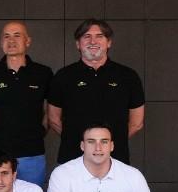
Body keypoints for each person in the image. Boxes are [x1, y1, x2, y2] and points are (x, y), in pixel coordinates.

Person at [48, 19, 145, 165]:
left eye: (99, 36)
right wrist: (81, 142)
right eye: (86, 36)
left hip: (115, 159)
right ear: (78, 44)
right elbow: (54, 119)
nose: (93, 41)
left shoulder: (128, 76)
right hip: (72, 159)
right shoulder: (63, 76)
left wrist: (108, 143)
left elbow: (136, 123)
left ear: (109, 42)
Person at [0, 21, 53, 188]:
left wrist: (38, 133)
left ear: (27, 41)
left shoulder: (43, 73)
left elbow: (48, 112)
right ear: (1, 43)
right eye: (6, 36)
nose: (11, 40)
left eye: (17, 35)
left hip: (32, 153)